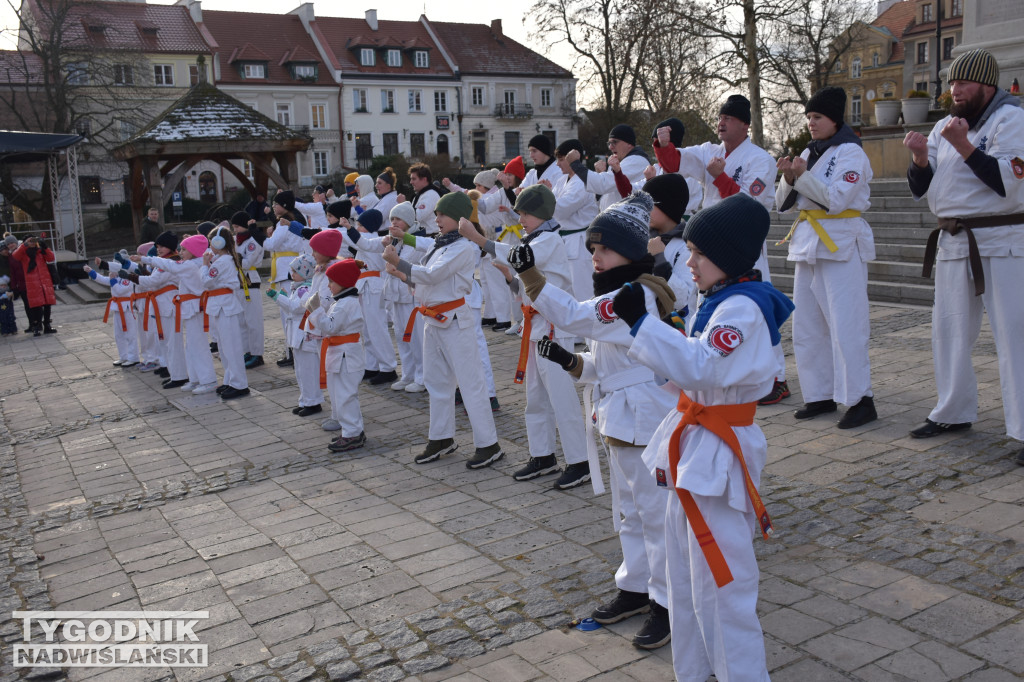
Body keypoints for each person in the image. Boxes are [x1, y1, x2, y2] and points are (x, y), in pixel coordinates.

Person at [612, 193, 794, 682]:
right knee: (686, 577)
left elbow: (701, 365)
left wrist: (643, 324)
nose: (688, 262)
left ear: (729, 257)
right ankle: (696, 672)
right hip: (695, 443)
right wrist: (660, 334)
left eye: (698, 253)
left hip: (718, 453)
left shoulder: (742, 310)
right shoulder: (721, 300)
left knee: (722, 581)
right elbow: (688, 369)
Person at [508, 191, 679, 649]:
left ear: (630, 251)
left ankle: (668, 602)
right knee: (629, 513)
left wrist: (532, 277)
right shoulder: (621, 292)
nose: (595, 258)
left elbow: (578, 316)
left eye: (603, 249)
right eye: (592, 250)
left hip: (645, 418)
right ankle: (636, 587)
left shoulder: (635, 293)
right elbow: (608, 363)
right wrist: (572, 362)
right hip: (623, 416)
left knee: (655, 514)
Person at [903, 49, 1024, 466]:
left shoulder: (1013, 120)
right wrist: (920, 157)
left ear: (987, 86)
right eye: (952, 83)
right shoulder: (942, 126)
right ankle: (953, 412)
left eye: (964, 83)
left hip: (1004, 240)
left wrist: (964, 145)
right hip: (955, 240)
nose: (955, 90)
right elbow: (924, 185)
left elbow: (1007, 182)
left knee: (1014, 337)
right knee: (949, 331)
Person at [655, 96, 788, 404]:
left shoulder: (760, 160)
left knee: (755, 308)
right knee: (709, 306)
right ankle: (713, 368)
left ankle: (777, 378)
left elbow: (749, 206)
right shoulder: (708, 151)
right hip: (708, 245)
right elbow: (674, 163)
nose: (722, 121)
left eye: (729, 117)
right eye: (720, 116)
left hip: (744, 244)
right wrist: (663, 144)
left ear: (744, 124)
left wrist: (720, 177)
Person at [459, 185, 590, 488]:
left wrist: (479, 239)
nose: (521, 218)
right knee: (536, 398)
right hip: (535, 328)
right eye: (519, 212)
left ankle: (579, 460)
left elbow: (521, 256)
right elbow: (526, 282)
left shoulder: (549, 240)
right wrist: (510, 279)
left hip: (553, 328)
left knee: (562, 398)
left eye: (526, 213)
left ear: (542, 214)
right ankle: (542, 454)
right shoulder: (537, 238)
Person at [777, 86, 877, 429]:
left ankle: (860, 399)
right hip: (808, 244)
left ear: (835, 118)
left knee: (847, 325)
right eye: (808, 117)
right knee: (807, 325)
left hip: (841, 242)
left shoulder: (852, 153)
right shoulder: (809, 150)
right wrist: (788, 177)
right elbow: (781, 202)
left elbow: (835, 199)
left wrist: (801, 176)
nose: (810, 123)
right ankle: (819, 394)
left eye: (817, 117)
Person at [382, 191, 503, 469]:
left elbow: (433, 275)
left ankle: (489, 443)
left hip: (455, 321)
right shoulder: (441, 243)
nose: (436, 218)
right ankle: (441, 437)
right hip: (433, 319)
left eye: (442, 214)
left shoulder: (464, 247)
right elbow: (427, 277)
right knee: (437, 383)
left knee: (471, 384)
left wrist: (401, 263)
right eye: (436, 213)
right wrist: (402, 273)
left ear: (459, 218)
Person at [136, 235, 219, 394]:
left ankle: (208, 380)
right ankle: (195, 379)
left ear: (193, 251)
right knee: (191, 346)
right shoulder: (193, 263)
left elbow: (169, 265)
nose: (180, 252)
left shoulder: (189, 265)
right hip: (190, 307)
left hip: (194, 307)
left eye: (184, 249)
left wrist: (146, 259)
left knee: (198, 345)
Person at [307, 259, 367, 453]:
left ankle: (352, 433)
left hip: (345, 356)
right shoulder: (342, 302)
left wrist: (315, 310)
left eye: (332, 281)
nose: (328, 285)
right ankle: (353, 430)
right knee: (342, 395)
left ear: (343, 282)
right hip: (341, 354)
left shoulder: (345, 304)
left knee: (345, 396)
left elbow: (330, 326)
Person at [121, 231, 189, 388]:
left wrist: (130, 276)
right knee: (165, 341)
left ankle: (179, 375)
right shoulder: (163, 261)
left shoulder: (171, 262)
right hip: (161, 304)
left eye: (162, 246)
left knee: (173, 342)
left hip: (169, 305)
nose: (159, 249)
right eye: (157, 246)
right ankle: (173, 372)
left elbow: (153, 281)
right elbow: (153, 279)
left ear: (171, 248)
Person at [343, 208, 398, 384]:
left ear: (369, 226)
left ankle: (388, 367)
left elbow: (356, 241)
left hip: (374, 286)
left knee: (376, 328)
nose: (357, 228)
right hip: (364, 285)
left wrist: (346, 228)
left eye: (360, 225)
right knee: (366, 329)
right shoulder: (366, 239)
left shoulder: (374, 239)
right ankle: (372, 365)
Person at [199, 225, 250, 400]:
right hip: (219, 305)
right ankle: (230, 380)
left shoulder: (223, 261)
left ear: (218, 242)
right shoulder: (222, 260)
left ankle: (239, 384)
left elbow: (207, 282)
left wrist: (204, 265)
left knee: (231, 347)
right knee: (223, 347)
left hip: (225, 306)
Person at [268, 254, 323, 416]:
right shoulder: (297, 287)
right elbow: (290, 308)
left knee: (308, 370)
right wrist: (283, 298)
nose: (292, 273)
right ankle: (305, 399)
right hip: (296, 335)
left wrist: (278, 297)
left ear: (305, 272)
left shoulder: (306, 288)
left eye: (295, 271)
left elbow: (296, 308)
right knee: (300, 370)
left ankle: (314, 401)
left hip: (305, 334)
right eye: (291, 270)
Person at [643, 174, 697, 327]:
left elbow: (681, 300)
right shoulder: (644, 237)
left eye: (651, 204)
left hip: (674, 329)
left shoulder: (687, 246)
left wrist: (658, 259)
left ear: (669, 207)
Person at [550, 139, 599, 308]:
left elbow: (561, 209)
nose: (557, 164)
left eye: (561, 159)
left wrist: (544, 198)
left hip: (580, 242)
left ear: (573, 158)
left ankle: (589, 334)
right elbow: (553, 207)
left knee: (583, 292)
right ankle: (571, 334)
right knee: (566, 292)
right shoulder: (560, 181)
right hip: (564, 240)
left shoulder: (583, 181)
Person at [565, 124, 649, 211]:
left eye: (615, 142)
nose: (610, 147)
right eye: (609, 143)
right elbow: (604, 197)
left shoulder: (636, 161)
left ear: (629, 143)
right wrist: (600, 174)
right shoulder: (621, 161)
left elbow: (603, 185)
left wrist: (576, 164)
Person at [85, 260, 139, 367]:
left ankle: (133, 357)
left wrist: (112, 280)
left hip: (127, 308)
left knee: (130, 334)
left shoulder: (129, 278)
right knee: (118, 334)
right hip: (117, 308)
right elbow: (102, 279)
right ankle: (123, 356)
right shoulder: (116, 277)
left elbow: (119, 291)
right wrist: (91, 272)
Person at [230, 212, 265, 369]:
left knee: (253, 321)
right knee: (241, 321)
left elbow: (246, 262)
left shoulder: (253, 241)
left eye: (237, 226)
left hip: (250, 281)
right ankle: (247, 351)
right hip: (238, 282)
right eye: (234, 227)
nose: (236, 230)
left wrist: (232, 256)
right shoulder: (235, 242)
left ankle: (257, 354)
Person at [11, 236, 56, 336]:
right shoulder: (24, 253)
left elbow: (51, 258)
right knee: (36, 305)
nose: (32, 243)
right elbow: (15, 255)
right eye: (30, 241)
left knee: (47, 304)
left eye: (33, 241)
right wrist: (25, 245)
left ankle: (47, 325)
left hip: (44, 281)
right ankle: (36, 326)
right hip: (32, 283)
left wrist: (45, 247)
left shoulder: (40, 251)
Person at [409, 164, 441, 235]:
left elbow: (416, 217)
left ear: (424, 179)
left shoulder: (430, 195)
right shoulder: (420, 195)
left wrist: (403, 206)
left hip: (430, 238)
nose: (411, 182)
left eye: (414, 179)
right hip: (422, 236)